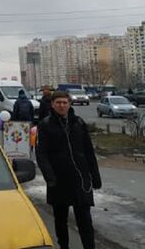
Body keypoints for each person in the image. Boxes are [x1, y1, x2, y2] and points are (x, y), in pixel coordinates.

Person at [36, 91, 101, 249]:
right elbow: (41, 154)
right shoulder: (45, 125)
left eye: (65, 102)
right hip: (58, 179)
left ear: (69, 104)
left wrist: (95, 176)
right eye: (58, 102)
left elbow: (88, 151)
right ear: (52, 104)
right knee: (61, 219)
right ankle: (64, 246)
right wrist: (49, 177)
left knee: (85, 220)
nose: (62, 105)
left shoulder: (78, 123)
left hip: (81, 179)